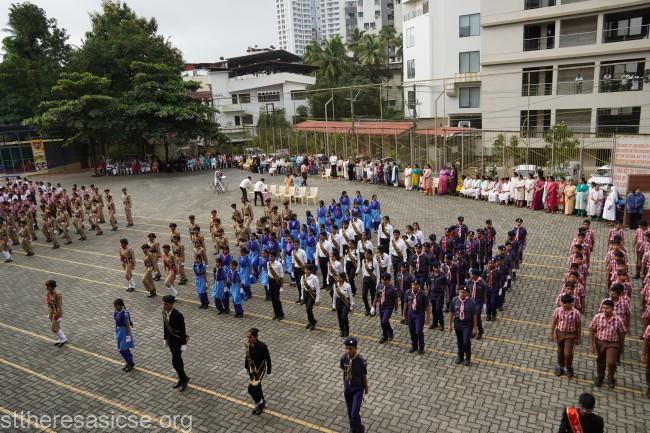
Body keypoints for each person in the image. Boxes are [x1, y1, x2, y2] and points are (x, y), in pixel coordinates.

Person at [589, 299, 625, 388]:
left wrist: (621, 346)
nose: (605, 310)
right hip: (600, 342)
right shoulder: (597, 317)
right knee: (600, 361)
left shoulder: (618, 320)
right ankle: (600, 377)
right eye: (603, 308)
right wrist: (591, 345)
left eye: (607, 308)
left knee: (611, 362)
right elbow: (592, 330)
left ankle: (610, 377)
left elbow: (622, 333)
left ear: (612, 309)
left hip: (612, 343)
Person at [340, 337, 368, 433]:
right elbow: (344, 372)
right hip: (348, 388)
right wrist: (345, 385)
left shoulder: (361, 361)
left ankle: (360, 429)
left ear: (356, 348)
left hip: (357, 389)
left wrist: (366, 392)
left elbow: (364, 377)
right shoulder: (343, 358)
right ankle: (353, 427)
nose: (348, 350)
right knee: (349, 410)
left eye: (350, 348)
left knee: (354, 414)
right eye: (346, 348)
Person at [550, 294, 581, 378]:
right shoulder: (558, 310)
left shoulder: (576, 313)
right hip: (560, 333)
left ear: (570, 303)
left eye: (565, 303)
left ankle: (569, 367)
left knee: (568, 353)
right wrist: (551, 333)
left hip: (570, 335)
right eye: (562, 303)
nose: (563, 305)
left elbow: (578, 325)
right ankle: (560, 366)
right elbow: (554, 321)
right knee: (560, 351)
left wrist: (579, 337)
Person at [162, 295, 189, 391]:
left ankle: (184, 379)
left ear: (171, 304)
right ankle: (182, 378)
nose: (164, 305)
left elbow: (183, 331)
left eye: (165, 304)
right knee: (178, 361)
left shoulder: (178, 315)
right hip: (170, 340)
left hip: (178, 341)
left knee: (175, 361)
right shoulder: (164, 312)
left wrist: (184, 344)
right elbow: (165, 325)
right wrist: (165, 338)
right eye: (163, 303)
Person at [244, 328, 272, 415]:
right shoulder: (247, 344)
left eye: (250, 337)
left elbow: (268, 358)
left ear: (255, 337)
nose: (248, 339)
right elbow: (247, 356)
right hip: (251, 369)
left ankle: (259, 403)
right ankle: (262, 402)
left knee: (251, 389)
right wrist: (246, 367)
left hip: (259, 370)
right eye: (247, 337)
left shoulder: (262, 346)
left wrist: (269, 369)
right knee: (257, 387)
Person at [449, 286, 478, 366]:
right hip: (457, 323)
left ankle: (468, 358)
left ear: (467, 293)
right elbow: (451, 312)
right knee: (459, 341)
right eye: (461, 292)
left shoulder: (471, 302)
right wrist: (450, 324)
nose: (462, 294)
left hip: (467, 324)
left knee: (466, 342)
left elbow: (474, 315)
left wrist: (475, 328)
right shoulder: (454, 300)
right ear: (458, 292)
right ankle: (460, 356)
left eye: (464, 292)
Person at [372, 273, 398, 344]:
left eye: (385, 280)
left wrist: (396, 308)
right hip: (381, 306)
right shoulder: (379, 286)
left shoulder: (392, 289)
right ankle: (385, 335)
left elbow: (395, 299)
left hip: (389, 307)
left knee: (384, 321)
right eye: (382, 280)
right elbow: (376, 296)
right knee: (383, 322)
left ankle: (388, 333)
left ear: (389, 280)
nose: (383, 281)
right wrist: (373, 306)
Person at [403, 279, 427, 354]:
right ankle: (414, 346)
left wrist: (427, 317)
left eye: (416, 285)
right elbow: (405, 303)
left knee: (418, 331)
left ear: (419, 286)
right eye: (413, 285)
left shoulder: (423, 294)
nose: (414, 286)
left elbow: (427, 306)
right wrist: (404, 315)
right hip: (410, 314)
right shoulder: (408, 292)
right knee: (412, 331)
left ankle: (421, 347)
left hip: (419, 314)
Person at [113, 298, 135, 372]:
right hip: (119, 332)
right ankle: (128, 362)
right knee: (123, 348)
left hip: (124, 333)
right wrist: (115, 331)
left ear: (120, 306)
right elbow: (116, 322)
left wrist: (128, 336)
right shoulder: (116, 312)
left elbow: (127, 326)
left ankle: (131, 363)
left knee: (123, 349)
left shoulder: (125, 314)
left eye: (116, 306)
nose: (115, 308)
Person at [46, 280, 68, 347]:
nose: (46, 287)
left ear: (52, 286)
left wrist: (60, 315)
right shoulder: (48, 293)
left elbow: (60, 306)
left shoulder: (58, 295)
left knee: (53, 329)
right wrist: (50, 313)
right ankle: (62, 338)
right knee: (57, 327)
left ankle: (63, 338)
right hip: (52, 312)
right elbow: (49, 304)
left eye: (48, 286)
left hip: (57, 313)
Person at [334, 272, 355, 337]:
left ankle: (347, 330)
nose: (338, 279)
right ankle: (342, 330)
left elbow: (350, 296)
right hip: (338, 301)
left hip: (346, 302)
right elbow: (334, 295)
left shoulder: (348, 286)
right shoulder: (335, 285)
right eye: (338, 278)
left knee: (344, 317)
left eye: (340, 278)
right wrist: (333, 304)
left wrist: (351, 305)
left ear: (343, 279)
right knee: (339, 317)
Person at [301, 264, 320, 330]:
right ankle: (311, 321)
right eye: (305, 269)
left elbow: (317, 288)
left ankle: (313, 323)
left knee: (308, 309)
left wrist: (317, 299)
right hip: (305, 294)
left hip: (312, 295)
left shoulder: (314, 278)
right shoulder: (302, 277)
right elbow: (302, 288)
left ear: (311, 270)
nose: (306, 271)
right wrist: (302, 297)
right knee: (307, 309)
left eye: (308, 270)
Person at [267, 250, 285, 320]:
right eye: (269, 256)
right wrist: (268, 284)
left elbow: (282, 275)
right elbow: (268, 273)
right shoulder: (268, 263)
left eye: (271, 256)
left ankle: (281, 314)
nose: (270, 257)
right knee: (272, 298)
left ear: (274, 257)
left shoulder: (278, 264)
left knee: (276, 298)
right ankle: (276, 314)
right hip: (270, 281)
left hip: (276, 282)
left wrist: (281, 286)